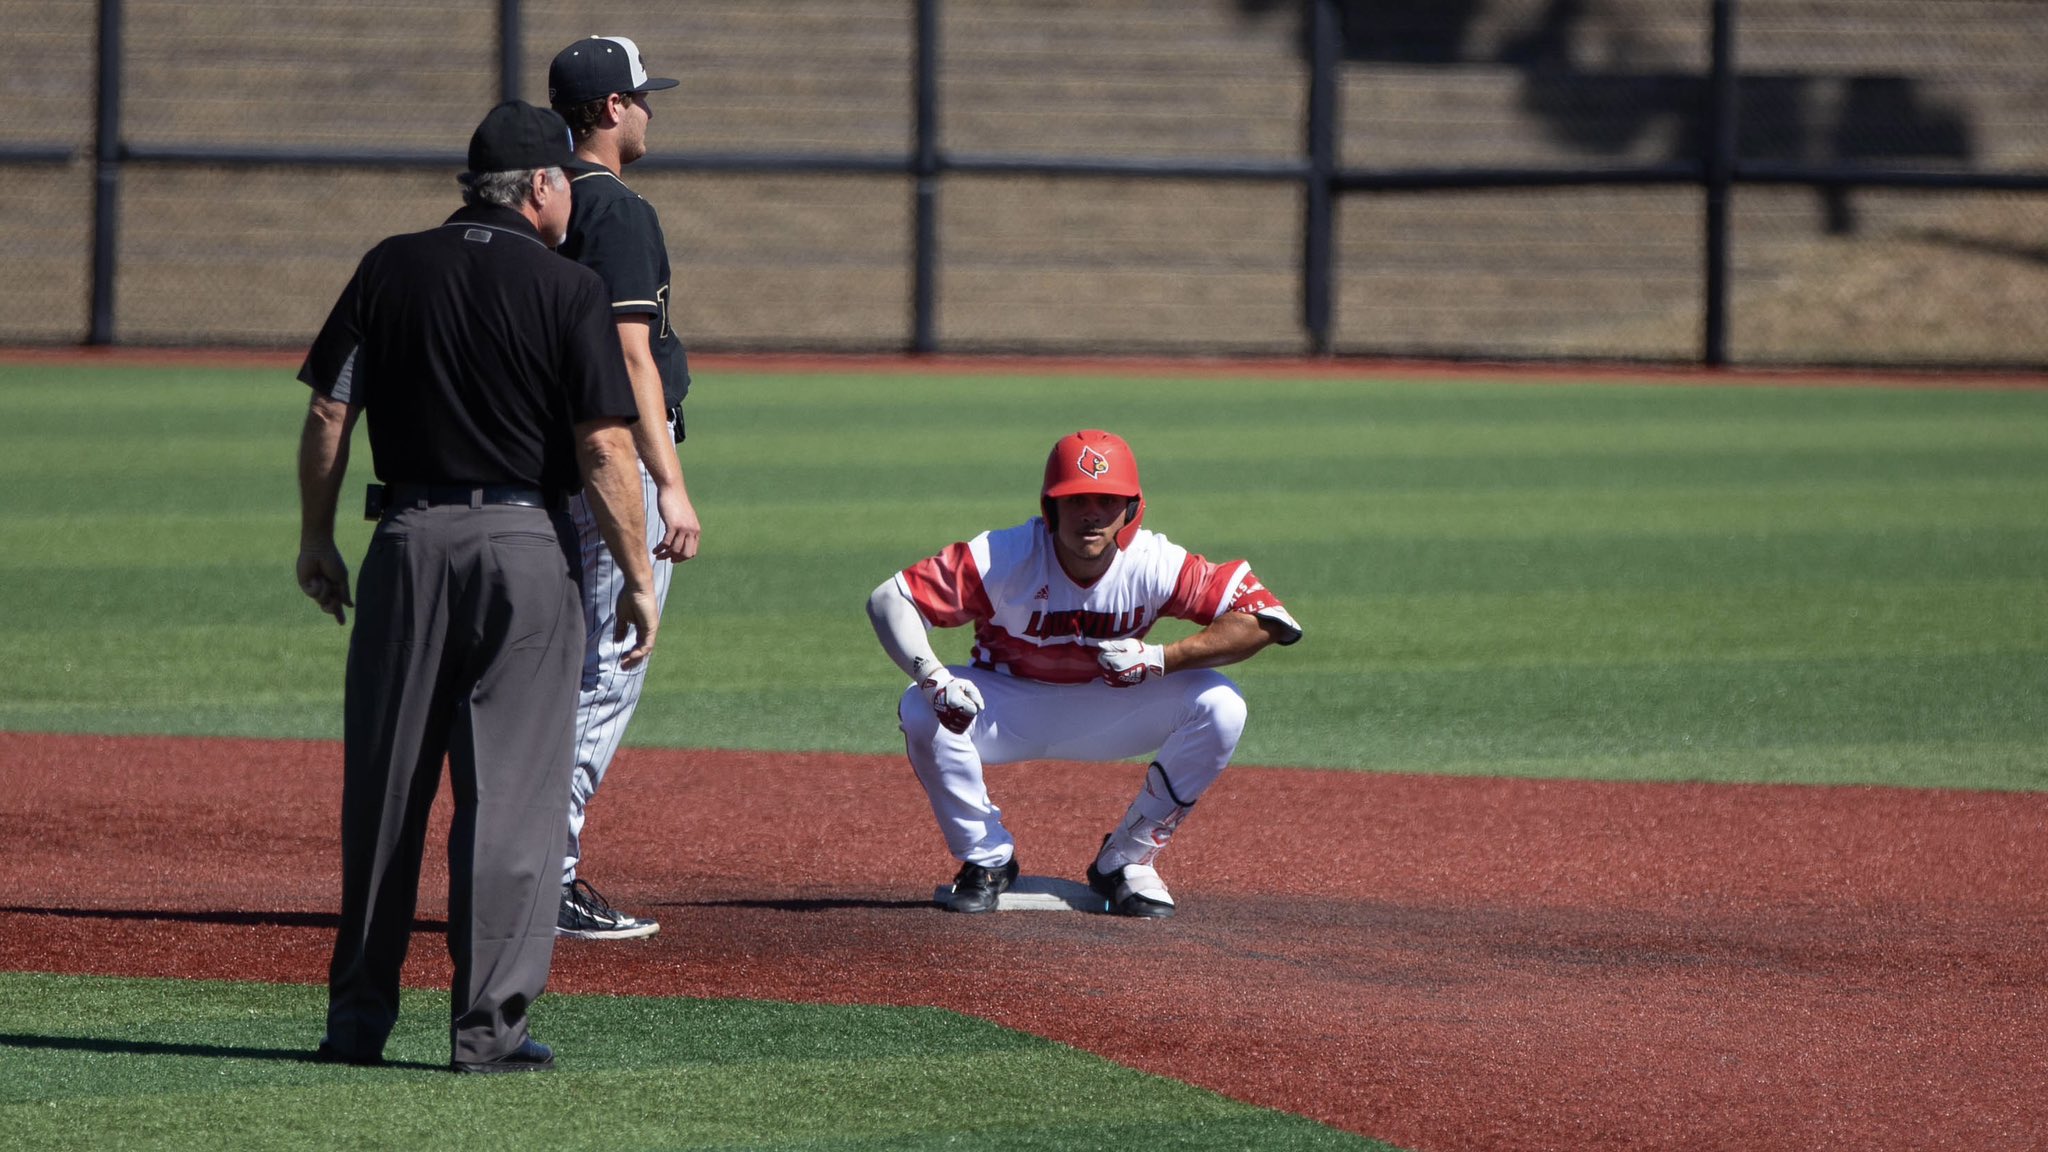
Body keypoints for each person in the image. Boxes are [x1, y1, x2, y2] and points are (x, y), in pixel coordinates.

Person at [294, 100, 658, 1073]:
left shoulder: (390, 266)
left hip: (407, 540)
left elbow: (332, 410)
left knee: (384, 791)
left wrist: (317, 538)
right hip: (523, 549)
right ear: (540, 187)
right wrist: (635, 574)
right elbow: (601, 444)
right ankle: (485, 1032)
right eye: (563, 187)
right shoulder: (567, 288)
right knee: (511, 799)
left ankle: (356, 1025)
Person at [866, 429, 1302, 918]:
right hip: (1007, 707)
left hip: (1111, 709)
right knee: (920, 705)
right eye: (1075, 500)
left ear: (1132, 510)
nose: (1091, 513)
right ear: (1050, 508)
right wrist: (933, 678)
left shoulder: (1156, 562)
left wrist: (1162, 658)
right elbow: (890, 599)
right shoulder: (1004, 556)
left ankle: (1126, 861)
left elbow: (1268, 620)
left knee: (1221, 704)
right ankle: (986, 860)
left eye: (1107, 500)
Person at [543, 35, 701, 941]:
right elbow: (631, 355)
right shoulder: (617, 209)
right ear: (610, 109)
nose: (649, 111)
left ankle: (522, 863)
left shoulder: (543, 204)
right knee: (608, 668)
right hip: (613, 465)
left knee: (557, 668)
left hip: (546, 464)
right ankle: (547, 877)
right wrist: (669, 487)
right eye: (643, 97)